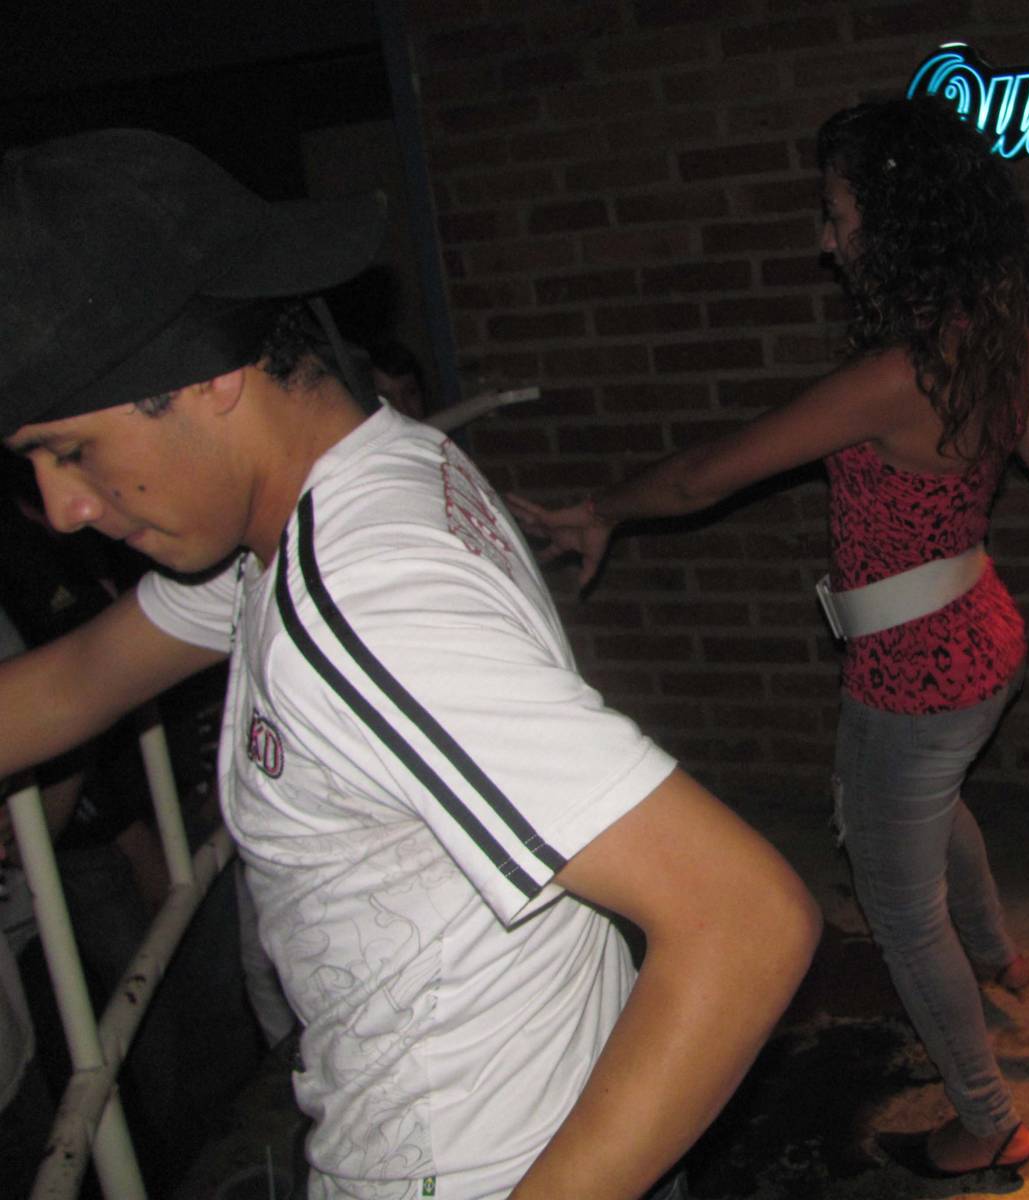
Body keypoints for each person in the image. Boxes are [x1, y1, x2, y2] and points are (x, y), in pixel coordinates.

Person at [0, 128, 819, 1200]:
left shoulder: (364, 602)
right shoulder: (350, 488)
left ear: (207, 377)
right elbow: (75, 684)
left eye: (72, 451)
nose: (62, 509)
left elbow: (742, 918)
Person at [512, 97, 1029, 1180]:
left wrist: (602, 511)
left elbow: (702, 476)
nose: (826, 238)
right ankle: (998, 953)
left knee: (898, 907)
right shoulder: (1003, 344)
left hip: (914, 674)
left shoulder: (894, 378)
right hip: (983, 642)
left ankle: (986, 1122)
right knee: (929, 804)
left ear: (898, 223)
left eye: (837, 213)